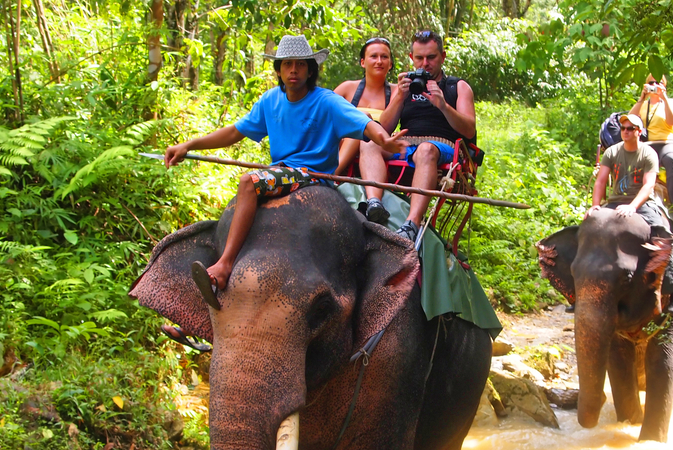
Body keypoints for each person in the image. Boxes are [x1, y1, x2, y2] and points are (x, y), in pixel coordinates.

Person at [163, 35, 408, 311]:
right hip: (281, 171)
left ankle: (224, 264)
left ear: (310, 69)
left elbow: (364, 124)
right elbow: (234, 131)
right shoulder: (270, 101)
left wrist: (383, 139)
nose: (294, 70)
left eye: (301, 65)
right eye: (287, 64)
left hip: (311, 175)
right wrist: (189, 144)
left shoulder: (326, 101)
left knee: (248, 182)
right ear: (278, 69)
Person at [358, 30, 476, 242]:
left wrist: (444, 106)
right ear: (411, 58)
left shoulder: (457, 87)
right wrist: (400, 98)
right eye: (419, 58)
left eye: (431, 57)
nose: (425, 64)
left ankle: (412, 223)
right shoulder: (404, 86)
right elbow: (382, 128)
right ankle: (375, 203)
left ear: (443, 56)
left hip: (440, 146)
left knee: (425, 150)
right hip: (407, 144)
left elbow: (469, 130)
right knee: (369, 142)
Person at [589, 113, 673, 314]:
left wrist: (632, 206)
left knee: (662, 235)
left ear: (639, 132)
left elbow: (649, 185)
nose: (626, 132)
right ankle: (577, 292)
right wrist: (595, 206)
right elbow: (601, 180)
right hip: (614, 202)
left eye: (630, 129)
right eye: (623, 129)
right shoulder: (612, 152)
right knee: (587, 230)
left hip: (641, 204)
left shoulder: (648, 154)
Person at [333, 37, 397, 185]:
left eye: (384, 57)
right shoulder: (347, 88)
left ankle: (331, 175)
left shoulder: (397, 91)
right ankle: (331, 173)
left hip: (377, 145)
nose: (379, 61)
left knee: (362, 121)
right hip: (341, 142)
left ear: (390, 64)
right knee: (361, 119)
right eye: (373, 56)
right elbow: (323, 114)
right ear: (363, 62)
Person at [629, 74, 673, 206]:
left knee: (671, 158)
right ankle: (631, 197)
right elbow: (630, 121)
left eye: (658, 83)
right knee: (635, 158)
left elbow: (672, 121)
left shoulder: (671, 102)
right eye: (651, 83)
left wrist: (664, 98)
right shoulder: (643, 104)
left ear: (664, 85)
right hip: (649, 144)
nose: (655, 85)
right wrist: (642, 98)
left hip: (668, 143)